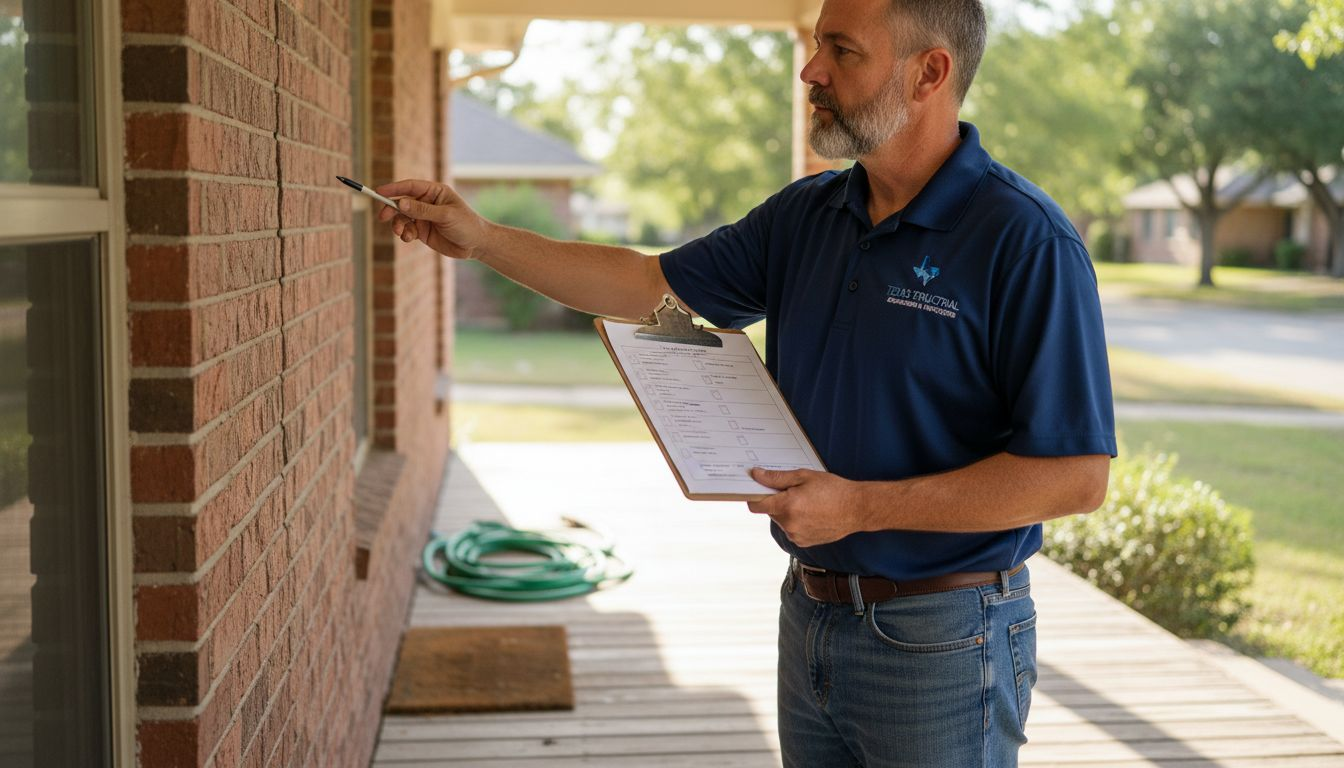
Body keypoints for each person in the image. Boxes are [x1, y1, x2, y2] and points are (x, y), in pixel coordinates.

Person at [377, 0, 1115, 764]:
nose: (811, 69)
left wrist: (860, 507)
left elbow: (1075, 477)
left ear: (929, 72)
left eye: (843, 50)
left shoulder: (1025, 240)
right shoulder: (808, 215)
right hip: (810, 615)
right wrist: (484, 240)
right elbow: (647, 285)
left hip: (946, 639)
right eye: (817, 44)